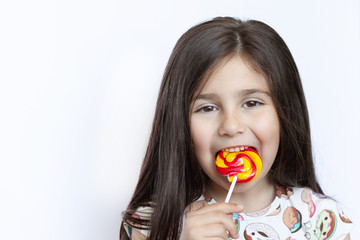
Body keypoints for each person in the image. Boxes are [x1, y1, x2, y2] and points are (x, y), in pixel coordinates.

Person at [120, 17, 353, 240]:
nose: (231, 126)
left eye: (252, 103)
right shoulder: (151, 222)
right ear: (179, 122)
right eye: (208, 108)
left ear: (284, 112)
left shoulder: (320, 218)